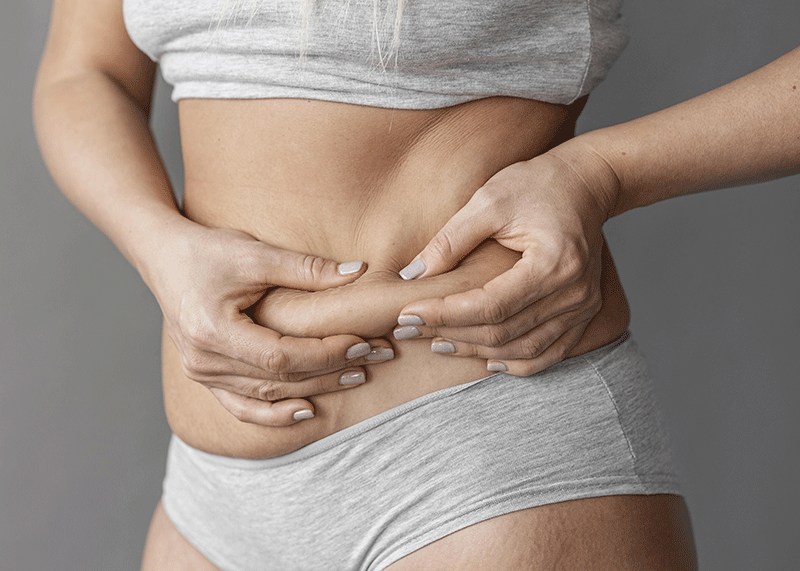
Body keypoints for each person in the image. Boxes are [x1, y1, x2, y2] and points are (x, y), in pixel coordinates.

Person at [32, 0, 798, 569]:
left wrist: (603, 172)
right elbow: (81, 69)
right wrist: (157, 244)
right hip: (209, 505)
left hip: (494, 468)